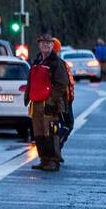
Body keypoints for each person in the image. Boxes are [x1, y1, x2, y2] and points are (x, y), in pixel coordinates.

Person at [26, 32, 72, 172]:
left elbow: (62, 84)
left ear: (53, 45)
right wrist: (28, 97)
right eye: (43, 43)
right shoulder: (37, 61)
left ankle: (53, 160)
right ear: (39, 45)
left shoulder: (57, 63)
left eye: (49, 43)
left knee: (51, 133)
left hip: (50, 104)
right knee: (39, 134)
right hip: (36, 103)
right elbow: (31, 81)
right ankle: (44, 159)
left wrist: (51, 99)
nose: (46, 45)